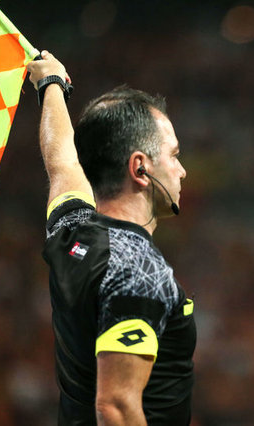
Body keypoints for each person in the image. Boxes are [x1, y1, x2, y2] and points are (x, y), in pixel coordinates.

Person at [27, 51, 196, 425]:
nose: (182, 171)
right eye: (174, 155)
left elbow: (62, 163)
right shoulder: (137, 268)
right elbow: (115, 407)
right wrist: (50, 85)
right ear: (140, 168)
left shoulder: (71, 229)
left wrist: (51, 85)